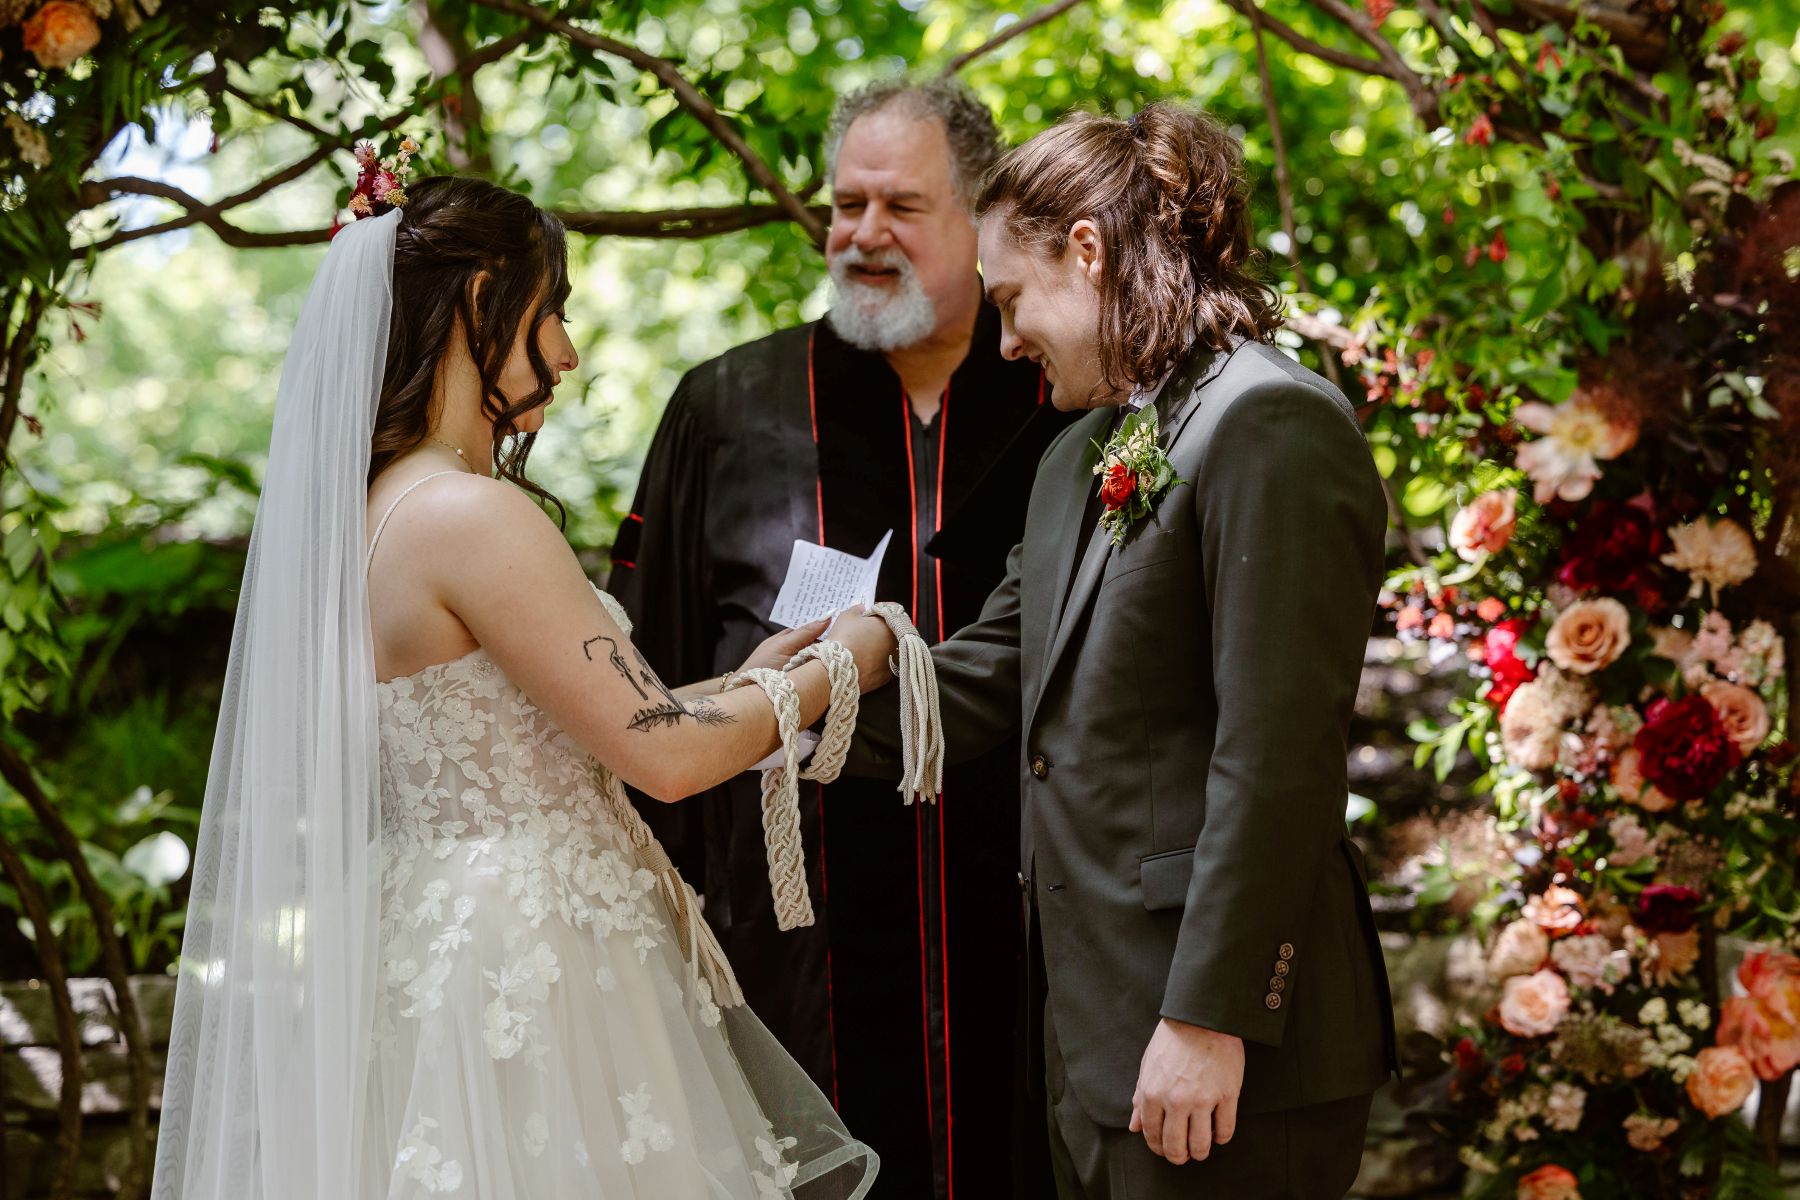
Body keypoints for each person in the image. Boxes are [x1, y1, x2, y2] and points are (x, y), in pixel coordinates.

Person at [151, 172, 891, 1199]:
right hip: (530, 962)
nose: (571, 353)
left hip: (429, 941)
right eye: (553, 313)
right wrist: (841, 666)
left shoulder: (371, 515)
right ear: (479, 299)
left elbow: (554, 722)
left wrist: (749, 680)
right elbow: (666, 756)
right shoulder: (471, 517)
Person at [846, 102, 1399, 1198]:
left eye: (1012, 300)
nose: (1006, 342)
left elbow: (1279, 755)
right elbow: (995, 671)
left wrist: (1208, 1016)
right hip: (1093, 1038)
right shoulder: (1080, 457)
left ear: (1088, 250)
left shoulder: (1268, 423)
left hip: (1223, 1049)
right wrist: (764, 711)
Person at [610, 79, 1070, 1197]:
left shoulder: (1063, 406)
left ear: (984, 217)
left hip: (1031, 933)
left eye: (902, 207)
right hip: (791, 942)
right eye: (846, 204)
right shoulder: (731, 409)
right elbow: (649, 682)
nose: (864, 235)